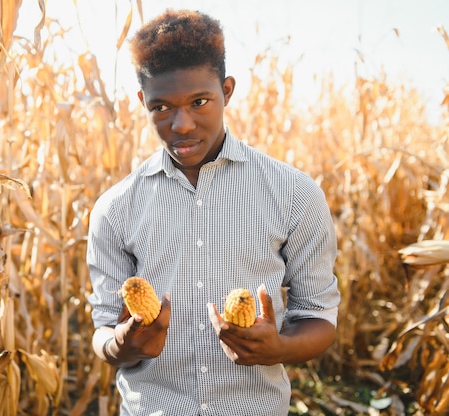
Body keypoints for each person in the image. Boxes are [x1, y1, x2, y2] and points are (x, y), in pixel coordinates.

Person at [86, 8, 340, 416]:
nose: (181, 124)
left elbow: (318, 316)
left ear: (227, 91)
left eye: (199, 102)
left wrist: (281, 347)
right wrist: (121, 344)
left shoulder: (294, 194)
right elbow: (103, 330)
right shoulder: (115, 210)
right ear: (143, 103)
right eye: (161, 107)